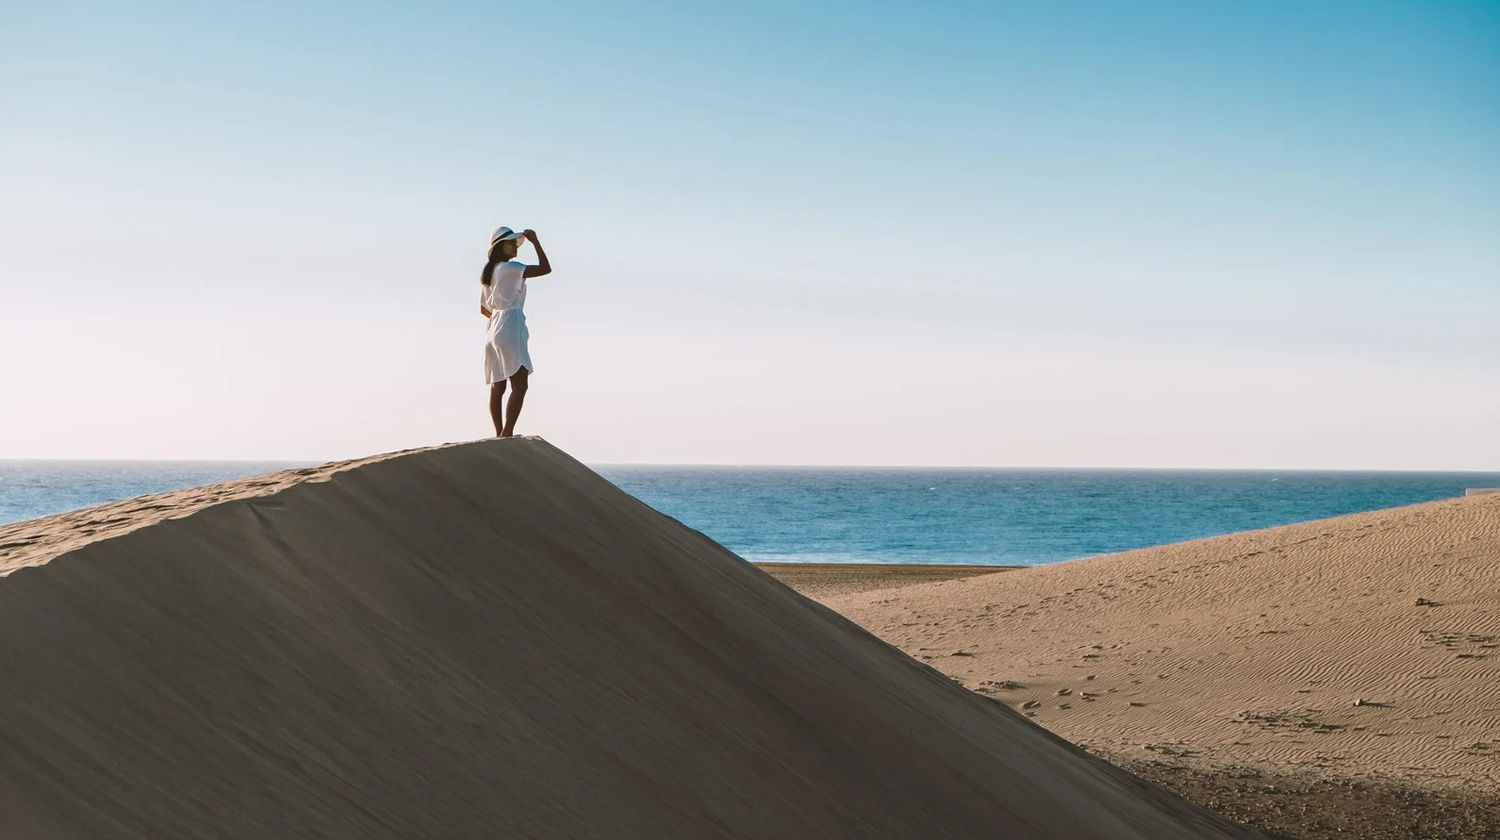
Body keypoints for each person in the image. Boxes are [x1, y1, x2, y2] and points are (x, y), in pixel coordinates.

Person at [479, 226, 551, 437]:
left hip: (492, 328)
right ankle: (507, 433)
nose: (515, 246)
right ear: (502, 246)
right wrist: (536, 241)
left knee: (497, 386)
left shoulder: (488, 274)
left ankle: (499, 433)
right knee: (520, 385)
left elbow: (484, 309)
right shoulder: (510, 269)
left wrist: (499, 318)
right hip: (510, 323)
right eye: (512, 243)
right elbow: (545, 268)